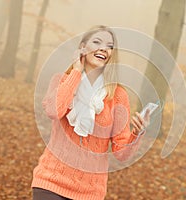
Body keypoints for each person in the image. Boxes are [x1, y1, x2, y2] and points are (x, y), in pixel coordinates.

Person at [31, 25, 150, 200]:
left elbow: (121, 153)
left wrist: (137, 133)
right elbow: (54, 111)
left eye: (110, 46)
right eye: (97, 42)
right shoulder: (61, 80)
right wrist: (77, 72)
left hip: (90, 192)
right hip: (50, 182)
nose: (104, 48)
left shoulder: (117, 95)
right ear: (83, 47)